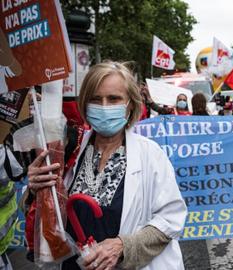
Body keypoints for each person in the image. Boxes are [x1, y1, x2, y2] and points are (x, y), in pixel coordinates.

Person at [27, 62, 187, 269]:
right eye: (95, 99)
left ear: (130, 104)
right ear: (84, 103)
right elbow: (48, 214)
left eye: (114, 99)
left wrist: (123, 246)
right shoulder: (69, 150)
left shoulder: (150, 155)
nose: (104, 106)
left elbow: (171, 218)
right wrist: (36, 190)